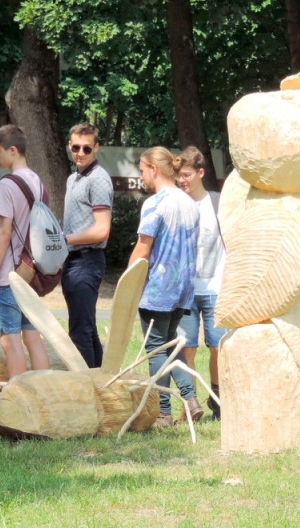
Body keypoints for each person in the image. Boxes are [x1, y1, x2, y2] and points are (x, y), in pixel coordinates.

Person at [127, 146, 201, 426]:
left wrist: (128, 282)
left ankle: (165, 411)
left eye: (143, 170)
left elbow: (143, 248)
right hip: (183, 288)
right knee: (169, 346)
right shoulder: (189, 203)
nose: (142, 177)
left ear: (154, 170)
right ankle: (185, 401)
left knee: (157, 348)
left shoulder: (156, 203)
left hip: (159, 287)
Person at [0, 124, 50, 378]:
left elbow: (4, 232)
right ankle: (43, 393)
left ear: (13, 150)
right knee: (32, 336)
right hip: (30, 272)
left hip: (9, 275)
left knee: (9, 340)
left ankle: (19, 398)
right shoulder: (38, 182)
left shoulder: (8, 184)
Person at [175, 146, 227, 419]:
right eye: (178, 176)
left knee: (219, 346)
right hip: (185, 292)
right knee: (188, 348)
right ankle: (189, 405)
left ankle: (217, 401)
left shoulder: (217, 202)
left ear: (200, 173)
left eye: (186, 175)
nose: (182, 180)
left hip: (216, 288)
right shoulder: (176, 204)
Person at [61, 122, 113, 368]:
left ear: (97, 148)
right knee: (87, 330)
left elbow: (102, 230)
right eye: (75, 147)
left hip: (87, 260)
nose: (80, 153)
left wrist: (65, 239)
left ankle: (86, 393)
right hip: (73, 261)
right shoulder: (74, 178)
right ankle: (100, 389)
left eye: (86, 148)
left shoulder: (98, 179)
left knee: (80, 333)